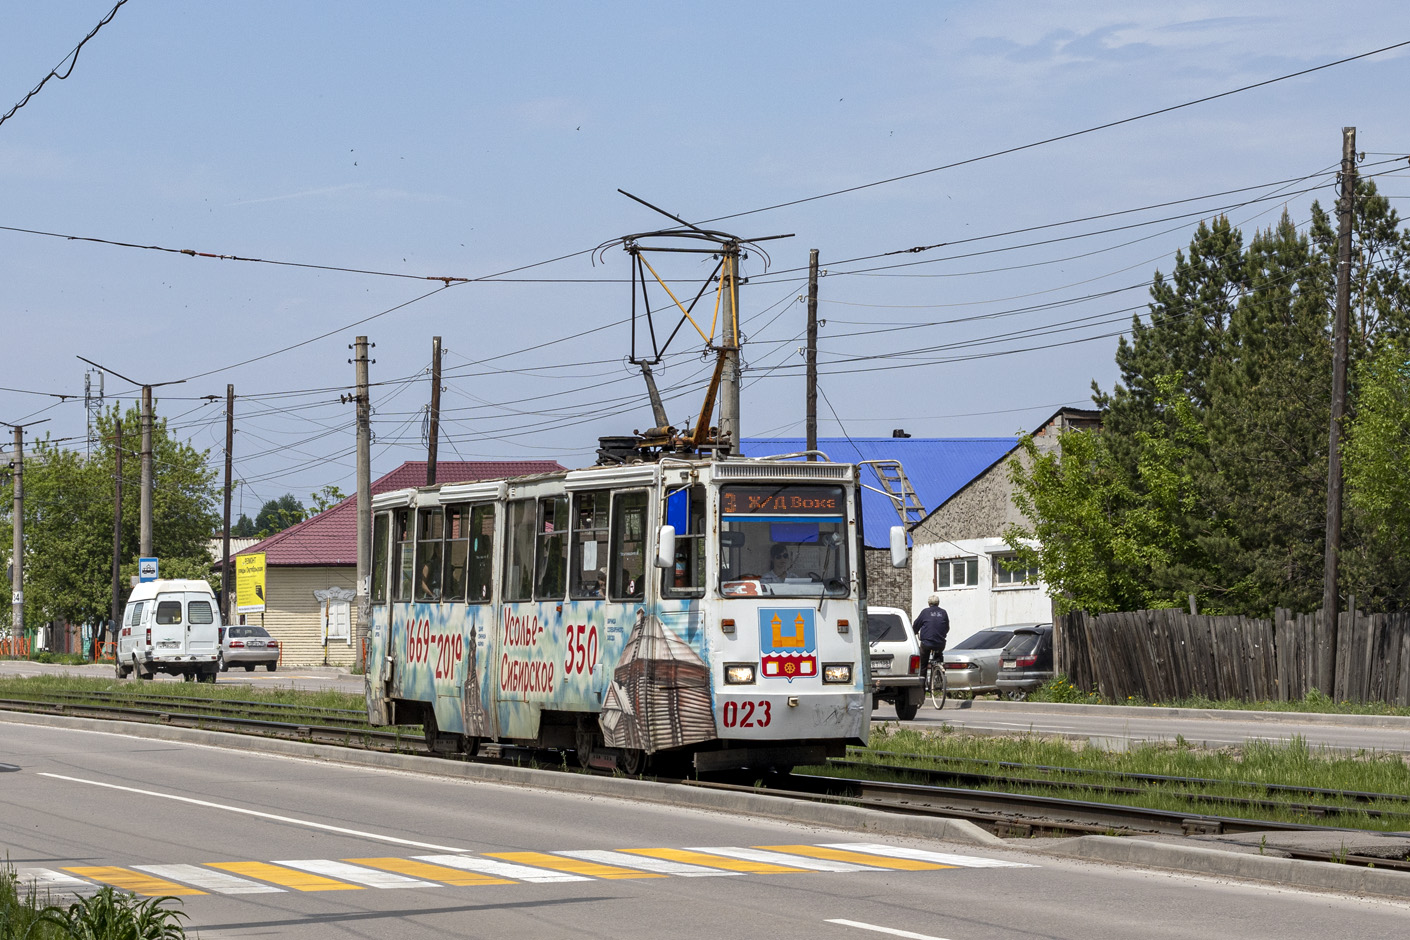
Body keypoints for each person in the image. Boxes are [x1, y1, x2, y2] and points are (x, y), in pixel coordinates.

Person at [913, 594, 950, 682]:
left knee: (923, 664)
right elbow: (947, 627)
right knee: (939, 655)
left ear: (929, 603)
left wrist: (914, 632)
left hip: (927, 643)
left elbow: (916, 624)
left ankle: (921, 686)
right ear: (938, 603)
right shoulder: (943, 612)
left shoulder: (925, 612)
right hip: (940, 643)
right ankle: (939, 675)